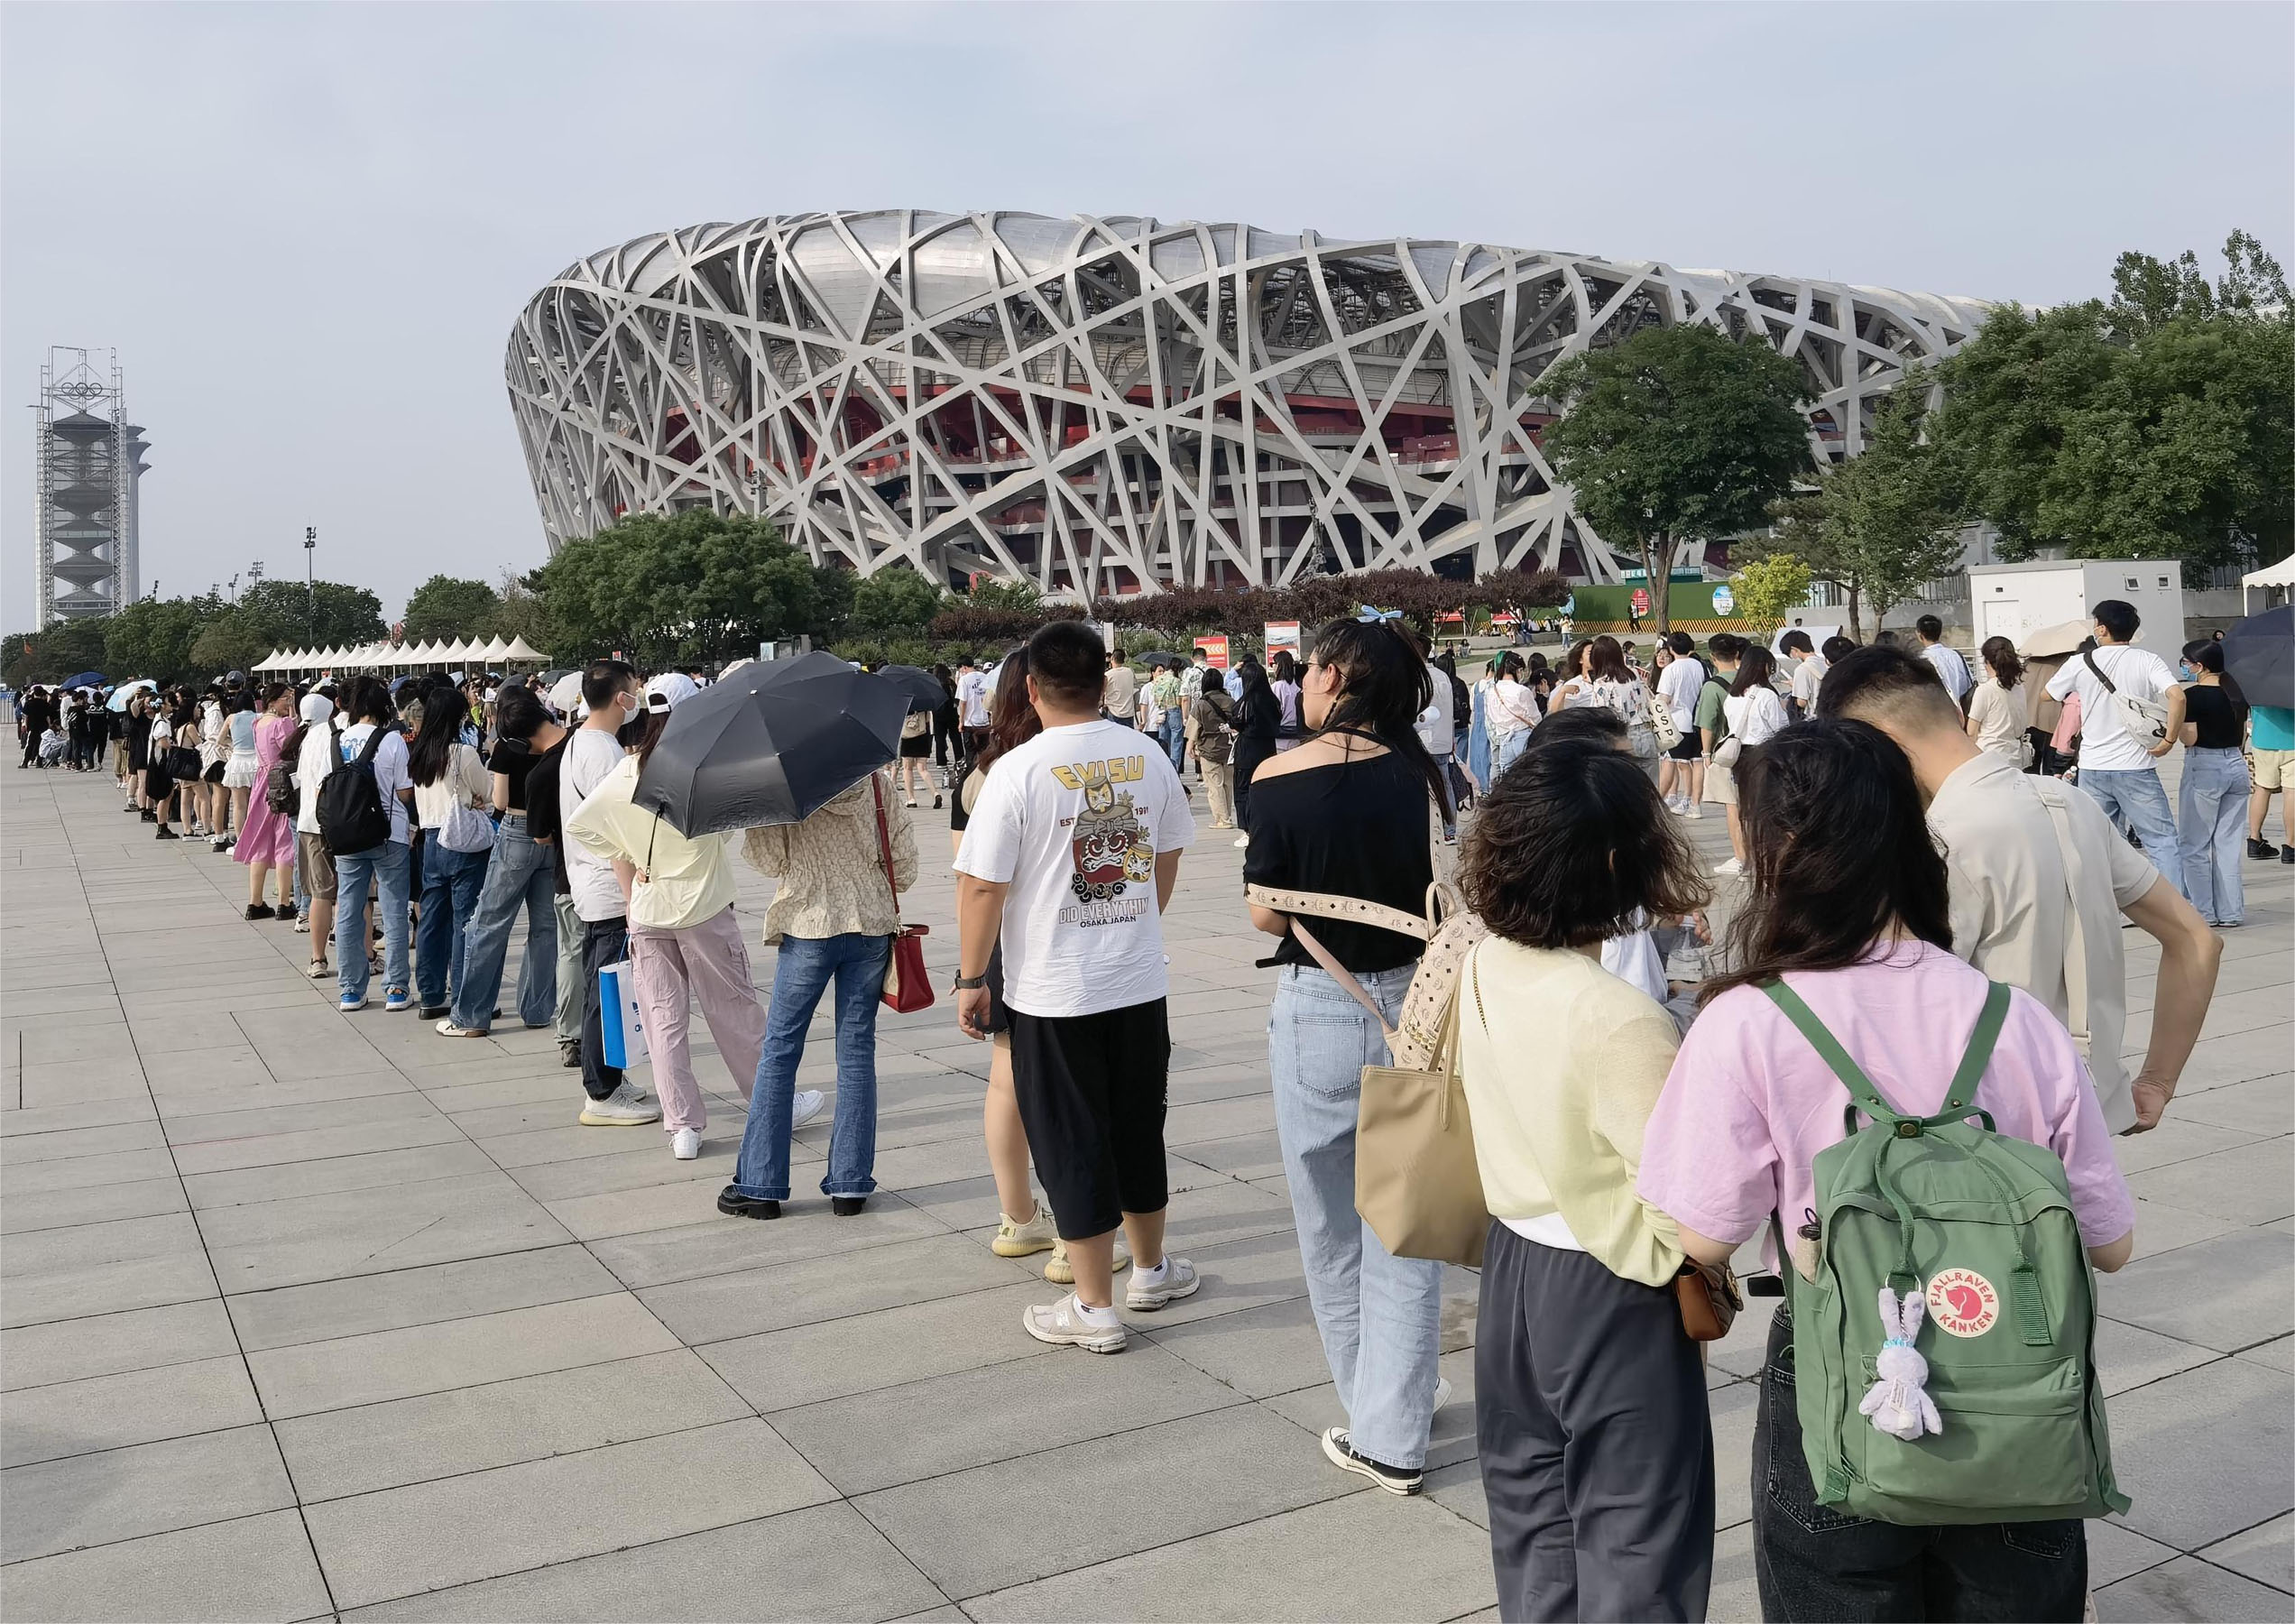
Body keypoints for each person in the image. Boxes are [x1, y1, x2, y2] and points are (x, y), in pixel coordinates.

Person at [1636, 719, 2136, 1624]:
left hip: (1842, 1374)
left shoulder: (1748, 1021)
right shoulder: (2013, 1018)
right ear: (1911, 836)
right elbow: (2110, 1245)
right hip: (2017, 1390)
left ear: (1770, 848)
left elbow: (1701, 1234)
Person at [1457, 730, 1714, 1620]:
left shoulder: (1485, 960)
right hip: (1613, 1288)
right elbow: (1688, 1208)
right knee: (1638, 1544)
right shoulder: (1621, 1020)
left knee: (1535, 1533)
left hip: (1515, 1272)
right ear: (1618, 862)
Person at [1819, 646, 2221, 1135]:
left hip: (1971, 1139)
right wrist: (2156, 1081)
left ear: (1878, 743)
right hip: (2088, 1115)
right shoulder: (2070, 803)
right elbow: (2196, 940)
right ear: (1953, 712)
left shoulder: (1935, 840)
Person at [1244, 615, 1454, 1493]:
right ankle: (1394, 1403)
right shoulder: (1421, 775)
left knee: (1331, 1229)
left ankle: (1384, 1428)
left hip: (1321, 1011)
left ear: (1334, 676)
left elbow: (1264, 913)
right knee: (1404, 1228)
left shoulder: (1278, 778)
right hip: (1415, 1009)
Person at [953, 617, 1199, 1353]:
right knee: (1136, 1126)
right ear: (1104, 681)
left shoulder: (1018, 771)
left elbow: (982, 889)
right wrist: (1137, 917)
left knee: (1071, 1137)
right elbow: (1169, 848)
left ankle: (1094, 1307)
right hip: (1134, 979)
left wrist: (971, 978)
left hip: (1053, 990)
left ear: (1031, 686)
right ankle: (1150, 1268)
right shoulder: (1147, 753)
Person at [566, 680, 766, 1160]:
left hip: (648, 908)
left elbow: (582, 825)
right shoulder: (703, 771)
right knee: (733, 1010)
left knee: (663, 1020)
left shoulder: (628, 768)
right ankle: (768, 1100)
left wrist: (632, 865)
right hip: (703, 905)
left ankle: (683, 1125)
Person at [722, 761, 915, 1218]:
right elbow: (903, 868)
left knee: (781, 1050)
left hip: (809, 925)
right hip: (869, 926)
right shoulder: (877, 783)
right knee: (856, 1052)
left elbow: (768, 861)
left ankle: (762, 1186)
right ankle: (850, 1185)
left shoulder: (788, 790)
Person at [562, 660, 659, 1124]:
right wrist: (631, 894)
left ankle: (612, 1078)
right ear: (621, 697)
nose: (637, 697)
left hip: (591, 881)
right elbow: (616, 830)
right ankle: (600, 1092)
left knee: (605, 986)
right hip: (607, 886)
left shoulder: (582, 741)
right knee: (607, 990)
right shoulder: (603, 753)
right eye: (634, 690)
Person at [440, 686, 563, 1038]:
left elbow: (500, 799)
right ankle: (538, 1009)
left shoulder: (508, 748)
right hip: (552, 837)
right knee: (544, 928)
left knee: (489, 923)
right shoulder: (557, 743)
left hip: (517, 831)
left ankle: (472, 1016)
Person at [2044, 600, 2186, 893]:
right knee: (2161, 840)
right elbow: (2178, 697)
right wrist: (2169, 739)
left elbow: (2047, 695)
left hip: (2094, 766)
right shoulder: (2148, 660)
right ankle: (2176, 911)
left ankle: (2111, 907)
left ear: (2102, 628)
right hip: (2136, 766)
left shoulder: (2080, 662)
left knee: (2098, 842)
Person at [408, 678, 496, 1021]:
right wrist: (474, 800)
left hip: (431, 839)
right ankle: (464, 994)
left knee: (431, 917)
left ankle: (430, 993)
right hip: (461, 840)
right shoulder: (463, 753)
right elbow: (487, 793)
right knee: (465, 920)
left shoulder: (420, 754)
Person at [332, 678, 417, 1012]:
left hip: (347, 836)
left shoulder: (335, 741)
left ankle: (351, 989)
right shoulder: (393, 741)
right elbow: (405, 791)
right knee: (394, 910)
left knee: (349, 910)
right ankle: (396, 988)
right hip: (389, 834)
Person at [521, 692, 586, 1069]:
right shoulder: (593, 746)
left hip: (569, 872)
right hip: (616, 871)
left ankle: (572, 1034)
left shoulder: (542, 772)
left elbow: (541, 836)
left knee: (571, 951)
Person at [2175, 638, 2252, 929]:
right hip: (2235, 762)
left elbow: (2190, 737)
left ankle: (2203, 911)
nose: (2184, 666)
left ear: (2199, 665)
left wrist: (2176, 727)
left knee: (2194, 844)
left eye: (2186, 662)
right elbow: (2242, 735)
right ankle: (2231, 911)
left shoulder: (2192, 695)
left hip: (2204, 764)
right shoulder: (2235, 692)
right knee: (2228, 844)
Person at [1715, 643, 1788, 876]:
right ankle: (1771, 857)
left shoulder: (1732, 696)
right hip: (1763, 753)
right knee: (1769, 809)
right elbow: (1780, 729)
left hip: (1740, 757)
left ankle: (1747, 858)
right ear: (1764, 667)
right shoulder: (1767, 695)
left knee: (1747, 809)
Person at [232, 684, 299, 920]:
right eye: (285, 698)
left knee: (260, 840)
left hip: (262, 782)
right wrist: (294, 722)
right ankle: (284, 902)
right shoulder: (282, 724)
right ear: (272, 701)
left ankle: (255, 901)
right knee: (284, 839)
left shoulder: (257, 723)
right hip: (281, 782)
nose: (289, 703)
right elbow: (290, 750)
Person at [289, 693, 339, 980]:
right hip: (328, 823)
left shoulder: (305, 737)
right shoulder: (330, 734)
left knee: (320, 894)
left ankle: (317, 958)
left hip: (307, 823)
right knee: (344, 891)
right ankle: (351, 949)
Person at [1229, 657, 1278, 845]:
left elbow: (1236, 721)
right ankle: (1265, 825)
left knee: (1243, 790)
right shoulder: (1272, 701)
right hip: (1268, 748)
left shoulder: (1245, 702)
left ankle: (1248, 829)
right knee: (1265, 787)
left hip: (1247, 749)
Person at [1656, 631, 1706, 812]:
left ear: (1671, 649)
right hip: (1697, 720)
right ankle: (1694, 804)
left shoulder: (1671, 669)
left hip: (1677, 722)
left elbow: (1665, 698)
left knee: (1670, 761)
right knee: (1697, 762)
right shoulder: (1699, 666)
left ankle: (1659, 799)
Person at [1964, 636, 2027, 764]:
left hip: (1989, 757)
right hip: (2015, 756)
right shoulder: (2019, 687)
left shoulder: (1985, 690)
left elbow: (1971, 732)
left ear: (1987, 662)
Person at [2249, 691, 2295, 863]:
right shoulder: (2290, 676)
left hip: (2262, 739)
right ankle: (2291, 846)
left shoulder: (2259, 677)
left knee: (2262, 788)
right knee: (2291, 793)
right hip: (2292, 739)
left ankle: (2254, 839)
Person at [1192, 667, 1238, 829]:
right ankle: (1227, 816)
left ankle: (1222, 819)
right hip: (1228, 747)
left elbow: (1193, 728)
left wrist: (1190, 746)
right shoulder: (1230, 701)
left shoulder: (1201, 704)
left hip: (1208, 748)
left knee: (1214, 786)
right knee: (1227, 784)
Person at [1486, 651, 1541, 781]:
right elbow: (1536, 718)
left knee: (1508, 781)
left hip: (1504, 739)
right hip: (1523, 736)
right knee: (1528, 778)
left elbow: (1492, 717)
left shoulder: (1492, 691)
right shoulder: (1522, 691)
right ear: (1517, 670)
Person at [220, 689, 263, 846]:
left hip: (237, 761)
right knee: (256, 803)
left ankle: (240, 840)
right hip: (256, 761)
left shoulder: (231, 718)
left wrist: (232, 745)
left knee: (239, 805)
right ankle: (257, 837)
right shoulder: (259, 717)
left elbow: (220, 739)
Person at [1916, 614, 1973, 710]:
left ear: (1920, 635)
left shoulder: (1922, 659)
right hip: (1964, 710)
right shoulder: (1956, 655)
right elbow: (1969, 683)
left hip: (1941, 714)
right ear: (1939, 632)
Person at [894, 693, 936, 807]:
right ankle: (935, 792)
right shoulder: (924, 699)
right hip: (922, 736)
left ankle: (911, 798)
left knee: (907, 768)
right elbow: (928, 719)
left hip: (907, 736)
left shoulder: (903, 699)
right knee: (922, 769)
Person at [1779, 628, 1827, 721]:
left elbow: (1802, 702)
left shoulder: (1802, 669)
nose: (1791, 658)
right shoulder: (1824, 663)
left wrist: (1795, 686)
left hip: (1814, 719)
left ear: (1794, 650)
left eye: (1789, 654)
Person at [1147, 659, 1185, 770]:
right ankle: (1175, 770)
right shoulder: (1176, 681)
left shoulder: (1158, 680)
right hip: (1174, 711)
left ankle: (1163, 768)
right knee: (1176, 743)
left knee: (1163, 742)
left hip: (1161, 713)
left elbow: (1155, 697)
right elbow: (1179, 701)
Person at [955, 656, 992, 761]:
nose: (961, 672)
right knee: (984, 753)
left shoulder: (964, 680)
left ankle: (971, 775)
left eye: (961, 669)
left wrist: (961, 721)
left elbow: (963, 702)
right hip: (984, 721)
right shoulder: (985, 677)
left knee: (971, 753)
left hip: (970, 723)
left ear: (964, 667)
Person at [1179, 651, 1208, 776]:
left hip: (1195, 713)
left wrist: (1185, 717)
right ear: (1206, 657)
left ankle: (1200, 772)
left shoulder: (1189, 673)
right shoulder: (1214, 670)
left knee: (1196, 741)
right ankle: (1208, 768)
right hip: (1212, 712)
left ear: (1192, 658)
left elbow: (1185, 698)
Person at [929, 662, 961, 770]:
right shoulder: (951, 683)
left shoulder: (934, 684)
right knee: (956, 738)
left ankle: (941, 761)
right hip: (952, 714)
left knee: (939, 739)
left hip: (938, 715)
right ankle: (959, 758)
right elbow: (957, 698)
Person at [1101, 651, 1137, 728]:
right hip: (1128, 712)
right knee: (1128, 737)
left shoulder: (1108, 675)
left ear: (1112, 658)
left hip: (1113, 712)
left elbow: (1101, 691)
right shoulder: (1130, 672)